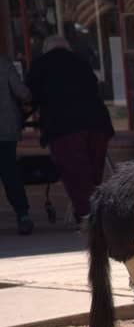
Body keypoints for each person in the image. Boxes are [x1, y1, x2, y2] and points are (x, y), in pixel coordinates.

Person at [25, 36, 114, 228]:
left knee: (77, 178)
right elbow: (94, 87)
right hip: (97, 124)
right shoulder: (81, 61)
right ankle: (95, 216)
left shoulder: (41, 65)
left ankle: (89, 221)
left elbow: (30, 97)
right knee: (94, 176)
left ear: (47, 50)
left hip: (64, 127)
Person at [1, 53, 33, 235]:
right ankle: (23, 215)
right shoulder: (4, 64)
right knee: (10, 174)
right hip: (5, 129)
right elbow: (22, 92)